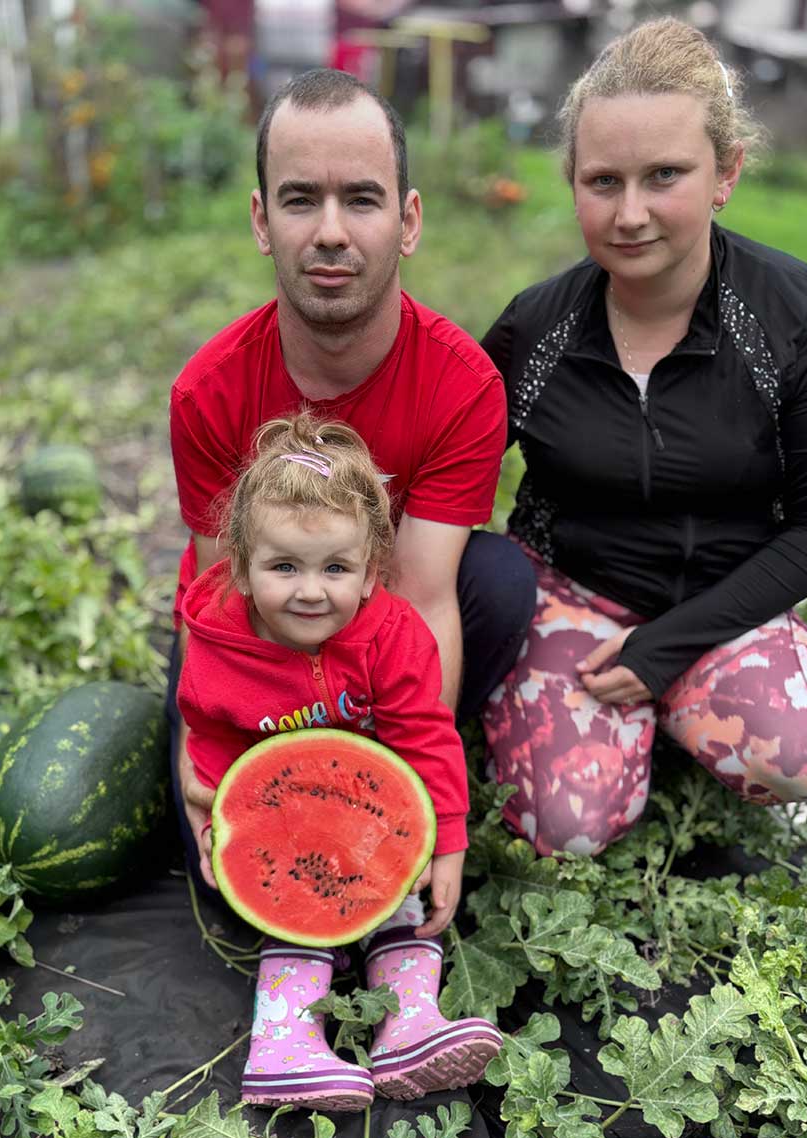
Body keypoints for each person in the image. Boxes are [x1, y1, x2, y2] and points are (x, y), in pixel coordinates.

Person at [480, 17, 807, 857]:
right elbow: (445, 476)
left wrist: (664, 649)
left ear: (724, 172)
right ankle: (614, 735)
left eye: (664, 176)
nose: (629, 214)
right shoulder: (535, 328)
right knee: (565, 831)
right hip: (574, 596)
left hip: (724, 601)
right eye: (602, 181)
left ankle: (696, 701)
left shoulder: (797, 319)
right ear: (573, 183)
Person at [167, 67, 535, 890]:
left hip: (381, 629)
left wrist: (394, 797)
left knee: (499, 580)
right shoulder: (208, 389)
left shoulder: (464, 384)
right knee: (220, 876)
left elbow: (424, 599)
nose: (330, 231)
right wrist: (239, 772)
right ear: (262, 221)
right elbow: (225, 598)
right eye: (300, 200)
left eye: (361, 200)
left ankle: (418, 746)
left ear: (408, 222)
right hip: (253, 632)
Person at [177, 412, 503, 1110]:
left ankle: (409, 1024)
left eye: (334, 569)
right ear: (240, 566)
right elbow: (210, 732)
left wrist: (445, 840)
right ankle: (282, 1045)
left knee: (401, 898)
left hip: (371, 812)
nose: (309, 592)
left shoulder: (395, 636)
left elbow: (424, 736)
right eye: (283, 567)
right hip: (280, 820)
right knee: (289, 905)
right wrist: (212, 818)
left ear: (369, 573)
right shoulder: (219, 643)